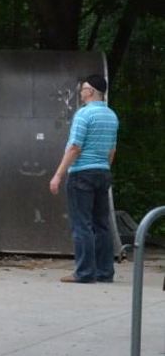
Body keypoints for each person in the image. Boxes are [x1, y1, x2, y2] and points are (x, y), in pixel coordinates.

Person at [48, 73, 119, 283]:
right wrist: (103, 168)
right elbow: (112, 150)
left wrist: (58, 175)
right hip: (103, 172)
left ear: (90, 91)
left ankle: (84, 272)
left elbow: (74, 147)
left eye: (83, 90)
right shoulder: (112, 116)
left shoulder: (83, 115)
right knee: (102, 224)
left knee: (82, 224)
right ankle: (105, 272)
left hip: (81, 174)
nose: (81, 93)